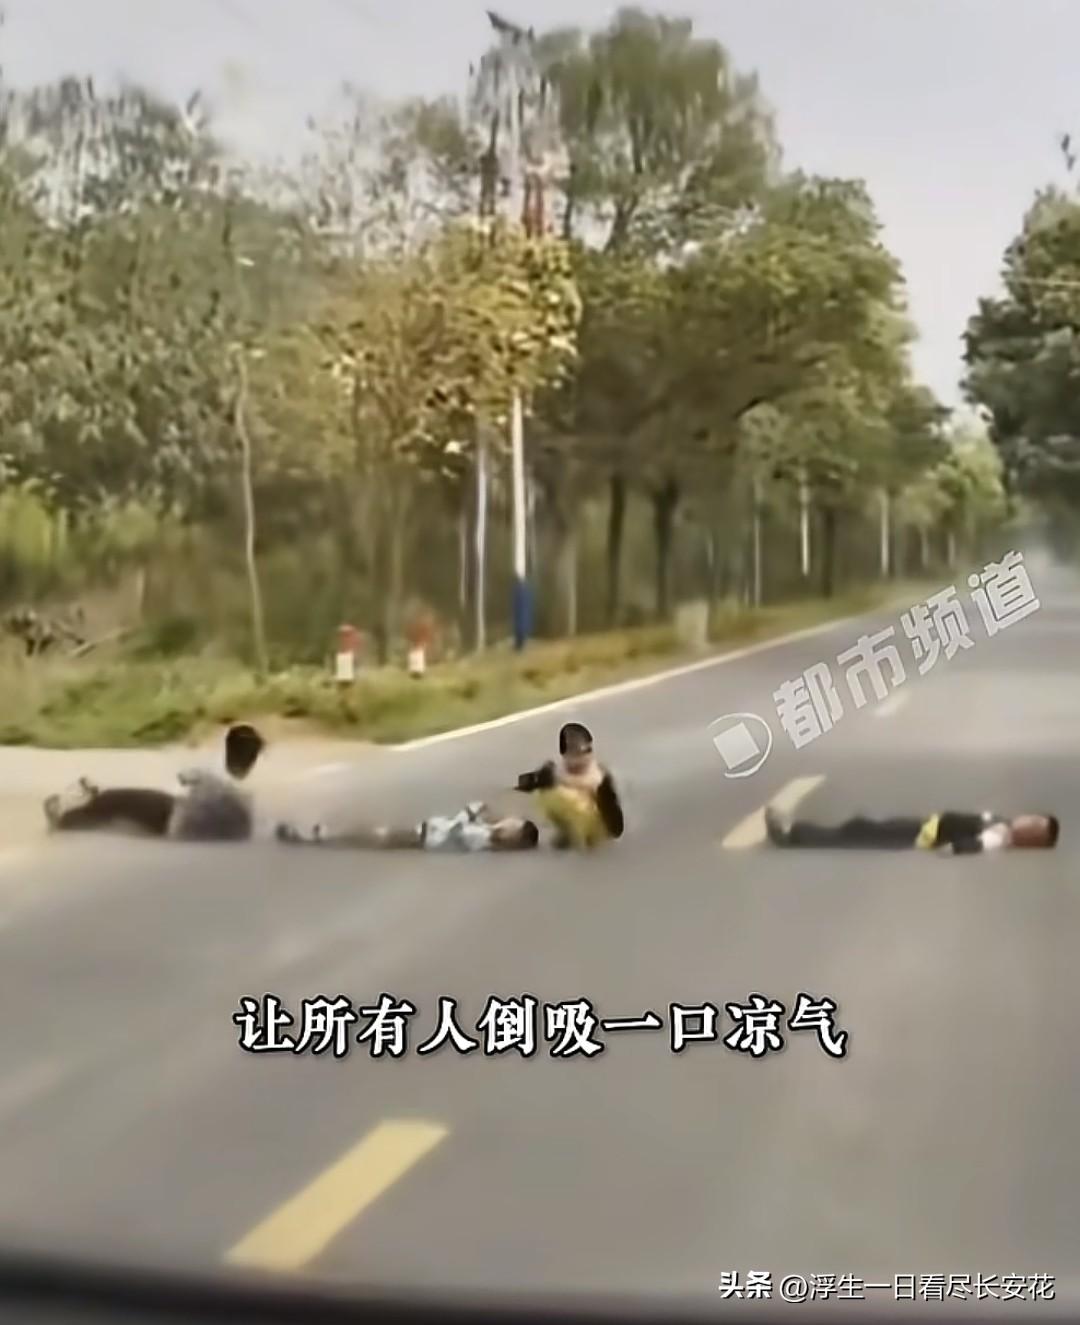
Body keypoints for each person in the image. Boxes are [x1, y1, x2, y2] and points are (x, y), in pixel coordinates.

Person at [43, 724, 266, 841]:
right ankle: (73, 816)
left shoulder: (218, 776)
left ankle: (64, 821)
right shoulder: (249, 793)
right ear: (254, 757)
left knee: (114, 801)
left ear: (228, 747)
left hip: (175, 816)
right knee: (115, 804)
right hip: (180, 823)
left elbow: (185, 778)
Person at [764, 804, 1059, 854]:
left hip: (917, 835)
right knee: (858, 828)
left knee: (856, 832)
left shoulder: (998, 836)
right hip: (921, 827)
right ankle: (795, 831)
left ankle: (790, 835)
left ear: (1032, 840)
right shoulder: (1001, 824)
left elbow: (963, 847)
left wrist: (955, 845)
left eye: (1035, 827)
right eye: (1034, 818)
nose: (1028, 821)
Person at [515, 721, 624, 849]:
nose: (581, 759)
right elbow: (525, 783)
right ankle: (566, 834)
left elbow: (616, 828)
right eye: (575, 754)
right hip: (566, 823)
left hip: (593, 829)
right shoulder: (553, 772)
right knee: (548, 795)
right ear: (564, 755)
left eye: (587, 752)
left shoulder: (600, 778)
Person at [276, 800, 540, 853]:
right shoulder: (486, 833)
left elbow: (456, 832)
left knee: (369, 835)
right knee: (369, 833)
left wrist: (469, 812)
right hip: (421, 833)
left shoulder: (483, 840)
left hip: (421, 837)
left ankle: (317, 836)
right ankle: (321, 834)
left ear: (513, 834)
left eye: (513, 824)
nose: (509, 819)